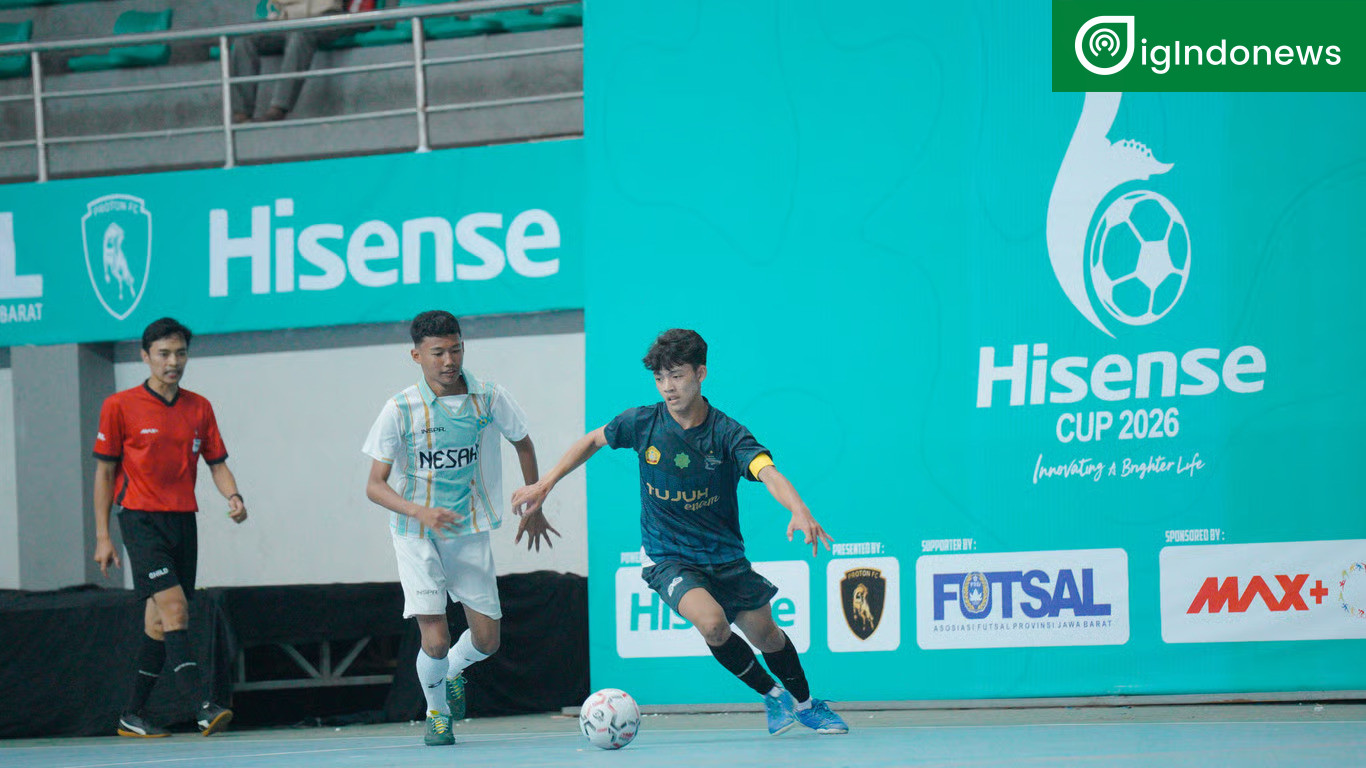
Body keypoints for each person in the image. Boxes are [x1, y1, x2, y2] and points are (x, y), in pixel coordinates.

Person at [512, 328, 849, 736]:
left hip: (725, 556)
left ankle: (807, 705)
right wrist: (545, 483)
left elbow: (768, 472)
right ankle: (773, 695)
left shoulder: (727, 433)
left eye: (677, 376)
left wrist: (798, 509)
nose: (668, 387)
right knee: (713, 624)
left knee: (768, 636)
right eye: (660, 378)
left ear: (700, 373)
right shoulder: (642, 423)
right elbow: (593, 440)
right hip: (667, 555)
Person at [363, 310, 559, 747]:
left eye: (456, 349)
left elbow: (523, 443)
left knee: (487, 642)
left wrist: (534, 502)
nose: (449, 360)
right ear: (416, 356)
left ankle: (451, 672)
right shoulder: (399, 409)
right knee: (435, 641)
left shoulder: (488, 397)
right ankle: (437, 713)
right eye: (438, 353)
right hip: (415, 534)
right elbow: (374, 486)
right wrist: (419, 512)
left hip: (468, 530)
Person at [92, 317, 248, 738]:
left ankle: (131, 714)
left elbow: (217, 464)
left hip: (183, 521)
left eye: (180, 353)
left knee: (159, 623)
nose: (173, 362)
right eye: (163, 354)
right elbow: (104, 474)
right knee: (175, 608)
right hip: (139, 519)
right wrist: (104, 537)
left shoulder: (199, 407)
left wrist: (233, 496)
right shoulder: (119, 406)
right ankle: (201, 706)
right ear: (145, 356)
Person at [230, 0, 345, 122]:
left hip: (325, 16)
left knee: (300, 34)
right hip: (287, 18)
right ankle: (241, 114)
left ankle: (278, 109)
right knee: (244, 37)